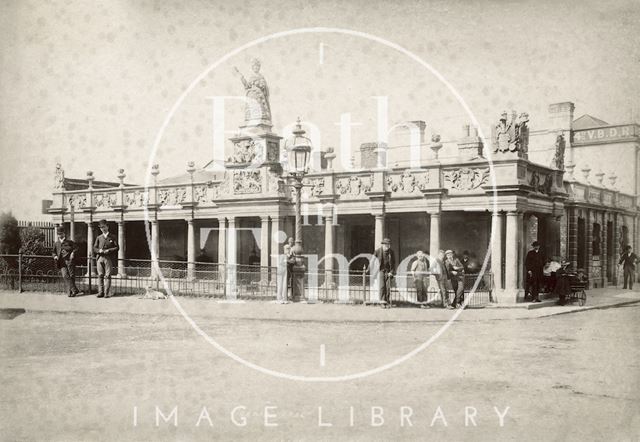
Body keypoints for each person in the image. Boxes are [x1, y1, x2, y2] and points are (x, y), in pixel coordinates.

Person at [52, 226, 82, 297]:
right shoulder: (56, 243)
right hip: (61, 262)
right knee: (65, 275)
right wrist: (55, 256)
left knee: (71, 276)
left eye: (61, 233)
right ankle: (75, 290)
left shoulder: (69, 242)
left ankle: (71, 292)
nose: (60, 235)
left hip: (69, 261)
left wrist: (73, 253)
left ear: (64, 234)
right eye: (58, 234)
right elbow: (53, 252)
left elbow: (76, 248)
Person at [93, 219, 119, 298]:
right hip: (100, 257)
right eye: (101, 228)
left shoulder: (113, 237)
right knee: (100, 275)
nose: (102, 229)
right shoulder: (99, 237)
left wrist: (109, 250)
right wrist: (99, 250)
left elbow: (117, 247)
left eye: (104, 227)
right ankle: (100, 292)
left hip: (108, 258)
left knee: (107, 275)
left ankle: (106, 293)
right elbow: (94, 248)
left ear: (107, 226)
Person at [373, 238, 396, 308]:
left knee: (388, 287)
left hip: (388, 271)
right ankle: (382, 302)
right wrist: (369, 270)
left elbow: (393, 263)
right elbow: (372, 261)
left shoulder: (391, 252)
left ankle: (387, 302)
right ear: (382, 245)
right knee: (382, 287)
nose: (387, 246)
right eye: (386, 244)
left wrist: (391, 272)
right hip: (380, 271)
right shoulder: (377, 251)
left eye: (388, 244)